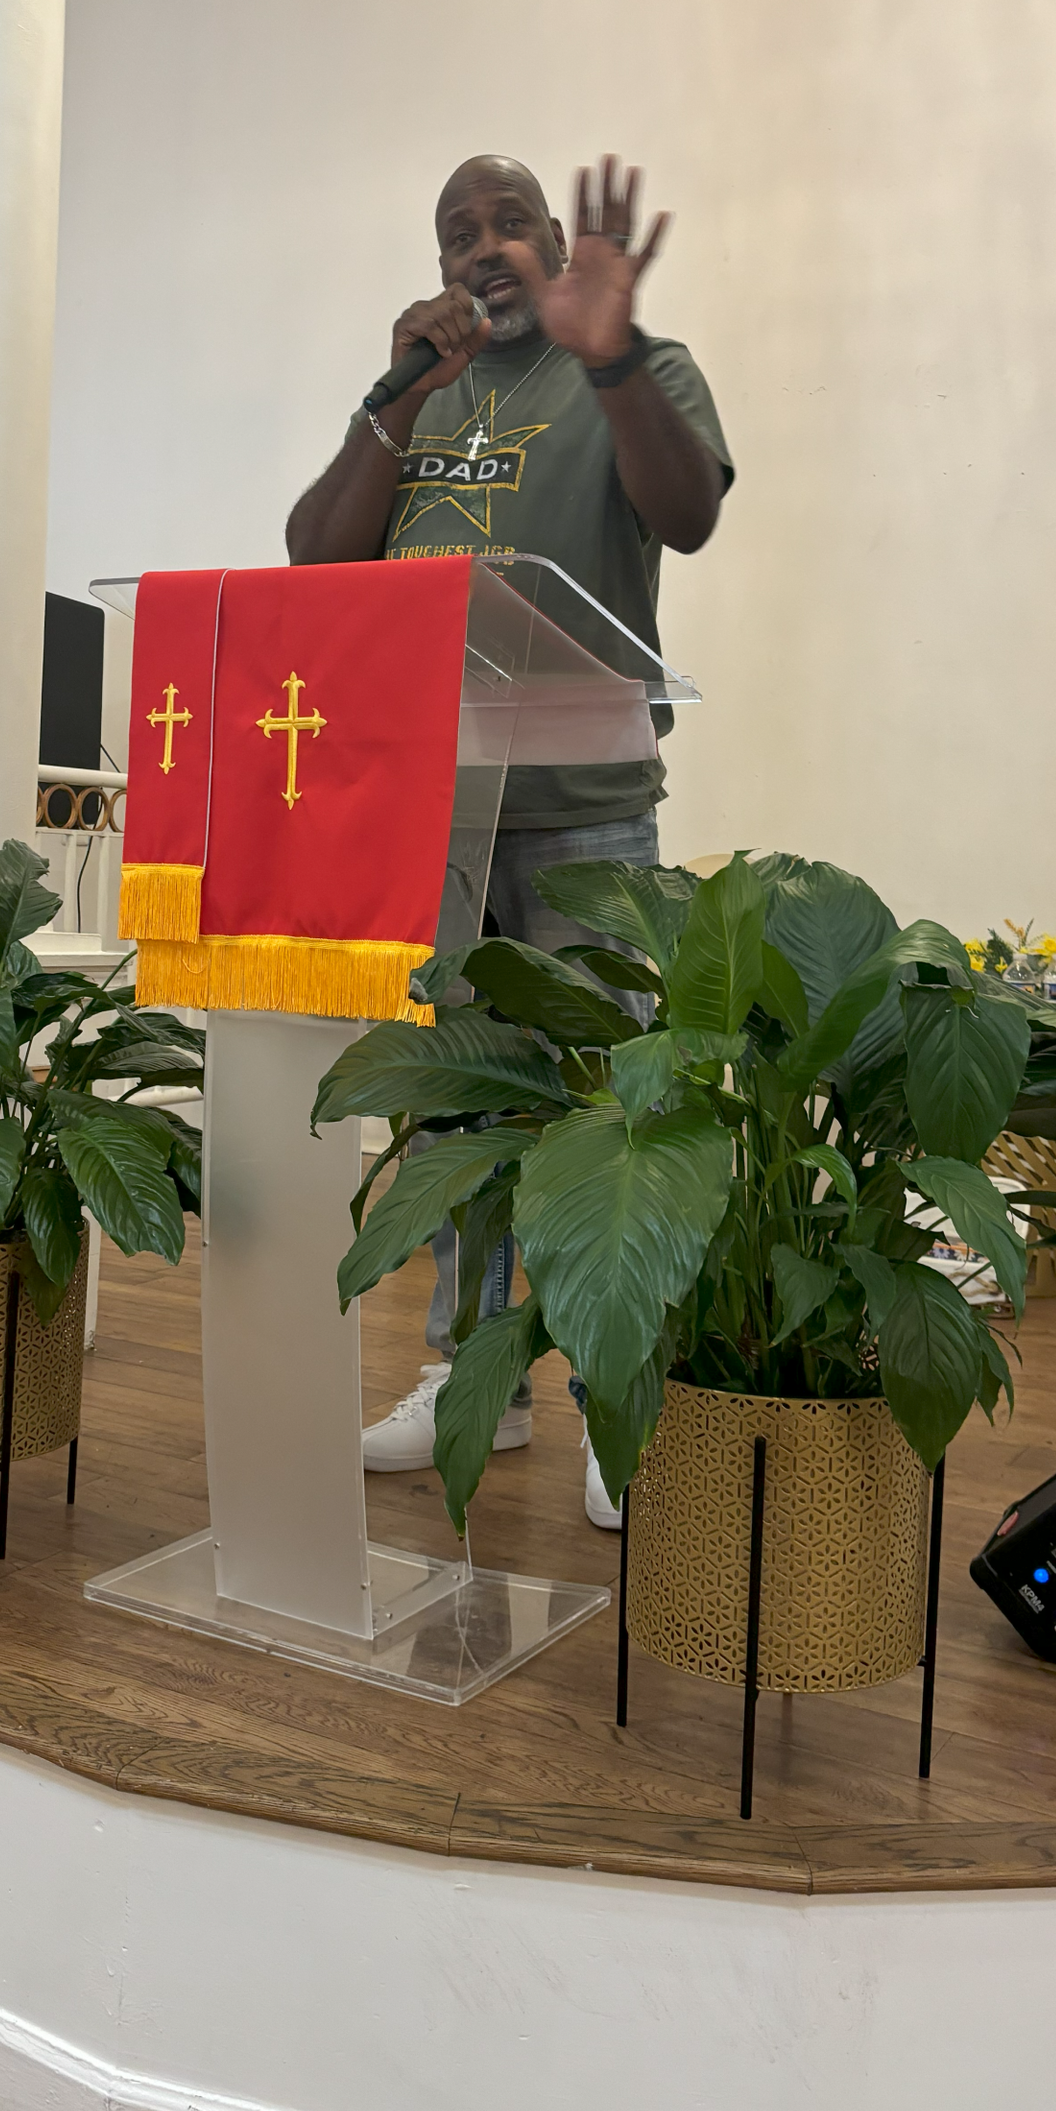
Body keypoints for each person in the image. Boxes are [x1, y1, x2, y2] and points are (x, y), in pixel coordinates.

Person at [285, 152, 733, 1526]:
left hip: (583, 808)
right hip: (440, 809)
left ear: (551, 238)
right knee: (458, 1118)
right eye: (456, 233)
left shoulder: (634, 370)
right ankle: (475, 1377)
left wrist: (613, 359)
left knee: (609, 1117)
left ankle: (613, 1394)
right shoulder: (426, 395)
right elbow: (316, 557)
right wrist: (394, 394)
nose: (482, 248)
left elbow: (688, 514)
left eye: (508, 223)